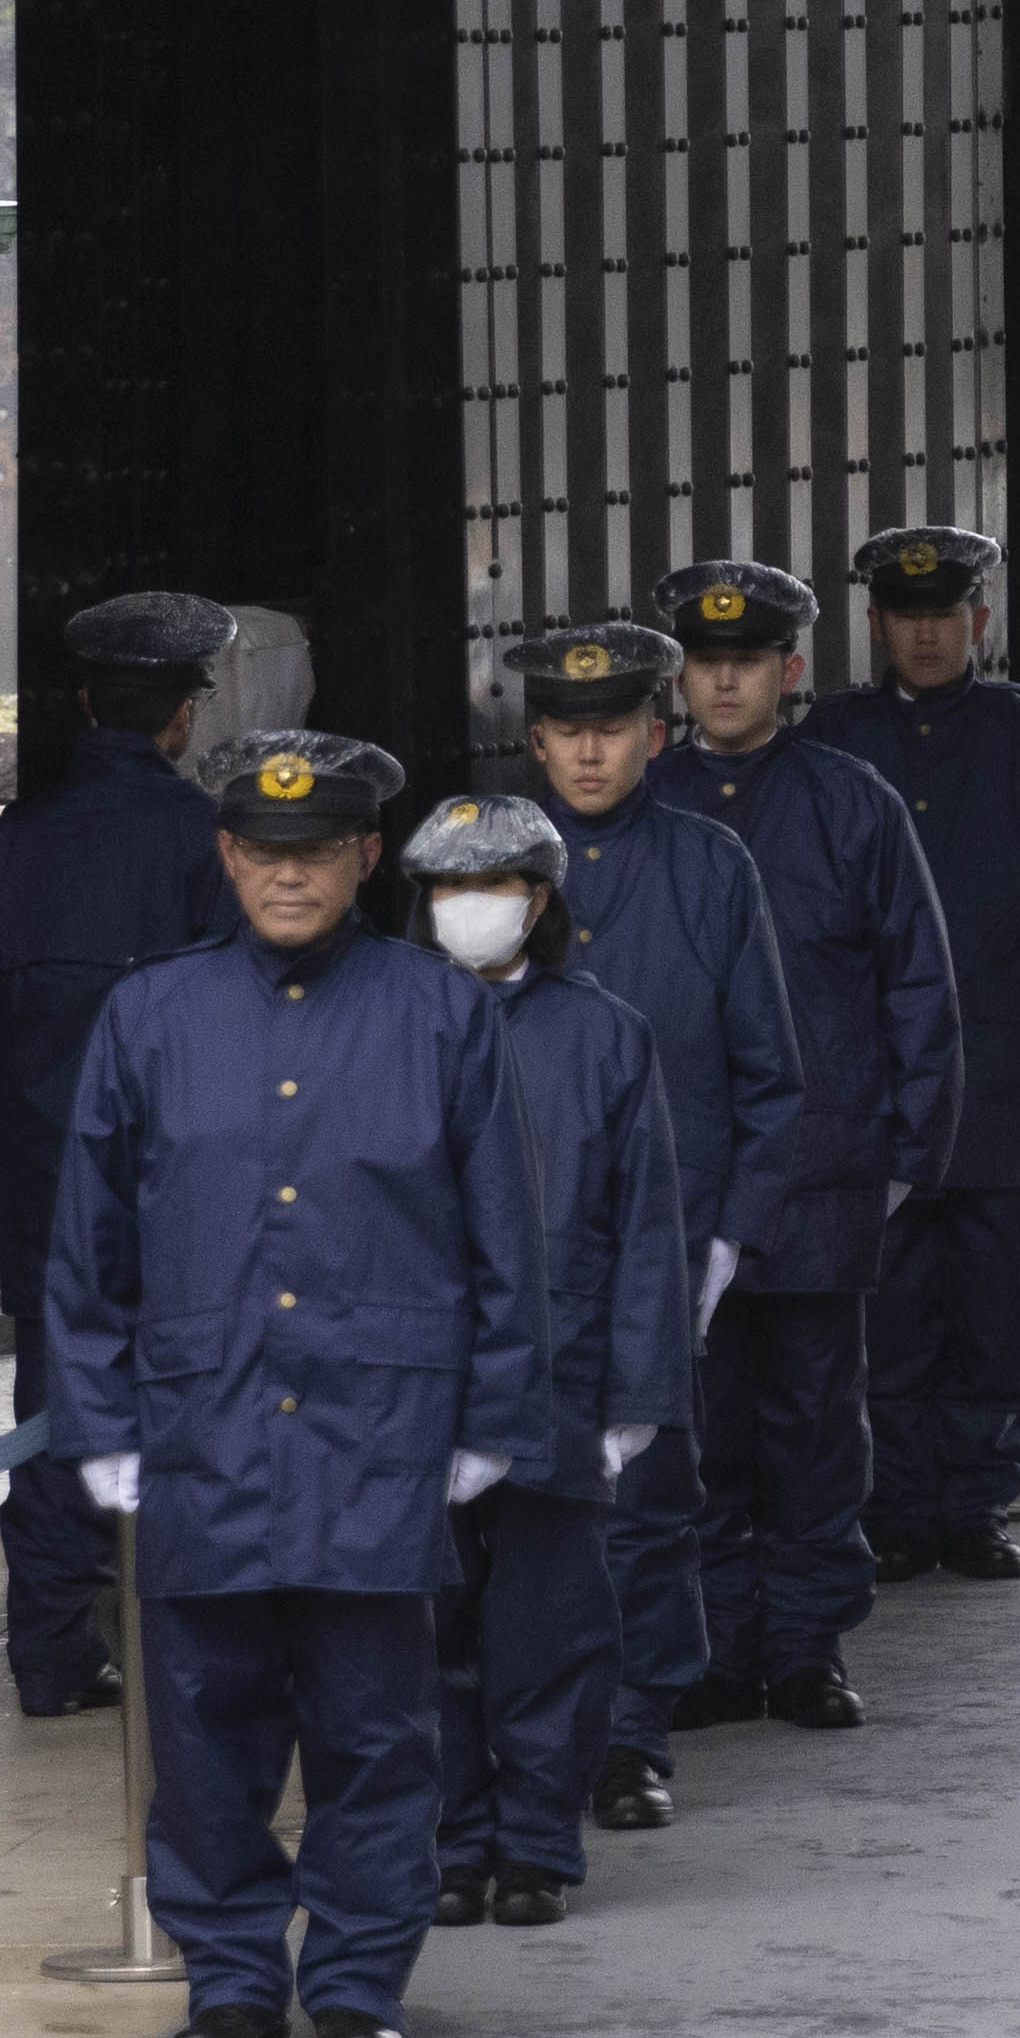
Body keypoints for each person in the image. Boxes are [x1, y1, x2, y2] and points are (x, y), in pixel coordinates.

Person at [43, 734, 562, 2038]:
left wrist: (491, 1417)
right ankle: (226, 1979)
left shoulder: (438, 1011)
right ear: (227, 858)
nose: (289, 877)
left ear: (363, 860)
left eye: (316, 853)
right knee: (206, 1732)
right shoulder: (149, 1017)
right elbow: (87, 1246)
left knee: (375, 1731)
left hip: (380, 1433)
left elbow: (505, 1230)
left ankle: (353, 1981)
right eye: (264, 854)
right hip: (200, 1429)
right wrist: (95, 1429)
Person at [644, 553, 959, 1732]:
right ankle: (722, 1643)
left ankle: (809, 1645)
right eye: (705, 663)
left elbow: (915, 985)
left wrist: (906, 1156)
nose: (724, 686)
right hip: (689, 1176)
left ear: (788, 670)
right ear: (680, 676)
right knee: (704, 1425)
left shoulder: (850, 802)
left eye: (745, 664)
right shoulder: (649, 805)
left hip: (824, 1172)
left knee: (819, 1423)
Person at [505, 620, 809, 1814]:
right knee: (519, 1508)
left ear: (654, 731)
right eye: (567, 732)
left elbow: (766, 1067)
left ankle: (631, 1735)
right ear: (535, 740)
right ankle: (524, 1739)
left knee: (646, 1496)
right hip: (515, 1241)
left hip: (664, 1241)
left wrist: (730, 1233)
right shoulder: (476, 873)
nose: (590, 754)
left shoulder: (709, 864)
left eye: (613, 729)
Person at [0, 587, 251, 1711]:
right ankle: (200, 1643)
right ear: (183, 715)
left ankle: (51, 1649)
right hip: (184, 1186)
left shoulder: (17, 842)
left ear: (80, 700)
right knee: (201, 1406)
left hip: (46, 1183)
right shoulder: (207, 841)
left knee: (53, 1418)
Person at [805, 523, 1020, 1587]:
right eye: (907, 615)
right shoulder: (834, 739)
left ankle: (978, 1500)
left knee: (994, 1305)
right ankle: (894, 1503)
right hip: (877, 1081)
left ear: (976, 621)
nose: (927, 633)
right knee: (886, 1306)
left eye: (945, 614)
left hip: (994, 1078)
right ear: (878, 624)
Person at [402, 790, 680, 1935]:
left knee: (552, 1628)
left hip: (562, 1378)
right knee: (431, 1632)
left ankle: (535, 1844)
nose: (475, 908)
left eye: (500, 885)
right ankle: (453, 1842)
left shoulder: (603, 1031)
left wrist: (639, 1391)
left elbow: (646, 1219)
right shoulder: (391, 1022)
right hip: (422, 1380)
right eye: (452, 887)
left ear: (543, 901)